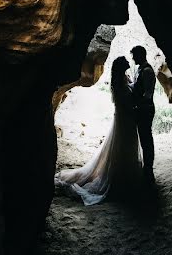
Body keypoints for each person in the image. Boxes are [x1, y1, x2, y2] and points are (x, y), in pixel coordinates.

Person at [54, 57, 142, 205]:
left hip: (127, 119)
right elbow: (123, 100)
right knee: (123, 146)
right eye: (126, 61)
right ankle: (121, 178)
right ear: (121, 66)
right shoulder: (117, 82)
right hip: (124, 120)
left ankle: (126, 176)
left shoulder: (123, 78)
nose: (129, 61)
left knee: (127, 146)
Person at [129, 45, 156, 183]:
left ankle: (149, 169)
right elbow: (138, 86)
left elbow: (148, 94)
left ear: (140, 55)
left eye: (134, 55)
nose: (133, 58)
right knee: (144, 138)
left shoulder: (147, 71)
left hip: (145, 109)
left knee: (146, 139)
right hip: (142, 108)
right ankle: (147, 168)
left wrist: (136, 102)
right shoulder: (141, 69)